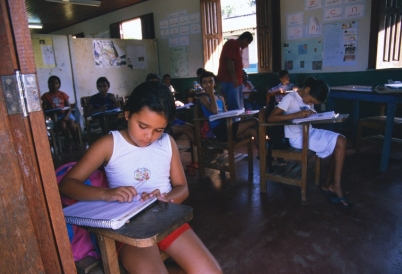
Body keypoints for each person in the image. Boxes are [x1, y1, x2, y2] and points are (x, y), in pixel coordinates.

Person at [58, 81, 222, 273]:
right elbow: (67, 185)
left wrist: (166, 200)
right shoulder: (110, 144)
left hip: (166, 220)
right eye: (143, 126)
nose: (149, 136)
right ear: (128, 114)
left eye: (158, 130)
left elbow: (182, 188)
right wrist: (106, 193)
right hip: (128, 229)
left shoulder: (167, 143)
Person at [267, 77, 351, 208]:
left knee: (341, 140)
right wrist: (296, 115)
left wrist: (313, 114)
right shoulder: (290, 98)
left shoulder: (308, 97)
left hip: (310, 132)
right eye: (312, 100)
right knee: (339, 143)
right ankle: (334, 185)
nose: (311, 103)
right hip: (297, 138)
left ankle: (331, 184)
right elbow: (271, 118)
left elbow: (308, 115)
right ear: (307, 90)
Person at [146, 73, 198, 175]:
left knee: (193, 126)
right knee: (186, 129)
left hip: (171, 121)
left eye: (156, 82)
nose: (155, 85)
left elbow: (170, 110)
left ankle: (198, 153)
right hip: (163, 126)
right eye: (151, 83)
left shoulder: (163, 95)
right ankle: (201, 150)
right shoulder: (148, 98)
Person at [199, 70, 259, 152]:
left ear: (215, 83)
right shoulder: (204, 98)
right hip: (219, 131)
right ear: (202, 85)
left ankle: (264, 156)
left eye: (210, 82)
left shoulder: (220, 98)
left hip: (227, 126)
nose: (208, 85)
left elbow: (225, 113)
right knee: (254, 121)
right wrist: (211, 94)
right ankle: (272, 142)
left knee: (253, 131)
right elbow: (215, 111)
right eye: (205, 82)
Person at [41, 75, 80, 151]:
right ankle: (69, 142)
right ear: (48, 84)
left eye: (56, 83)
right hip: (56, 116)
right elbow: (44, 108)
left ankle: (77, 142)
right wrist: (49, 107)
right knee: (62, 125)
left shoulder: (63, 94)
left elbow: (69, 107)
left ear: (59, 84)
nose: (54, 85)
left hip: (66, 114)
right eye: (52, 83)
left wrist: (66, 116)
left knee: (71, 124)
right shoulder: (46, 96)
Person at [217, 31, 253, 111]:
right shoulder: (232, 43)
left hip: (236, 81)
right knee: (234, 106)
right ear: (245, 40)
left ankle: (238, 122)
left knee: (239, 106)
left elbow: (237, 66)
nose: (247, 46)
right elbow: (229, 61)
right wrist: (234, 78)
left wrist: (242, 79)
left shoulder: (237, 48)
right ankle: (235, 123)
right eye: (248, 43)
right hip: (229, 80)